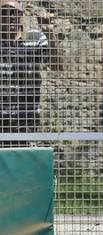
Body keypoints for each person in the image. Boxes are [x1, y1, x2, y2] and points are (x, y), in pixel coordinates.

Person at [0, 0, 61, 135]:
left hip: (27, 119)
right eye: (4, 12)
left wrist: (50, 34)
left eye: (13, 12)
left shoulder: (34, 37)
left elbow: (57, 66)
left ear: (21, 15)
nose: (9, 16)